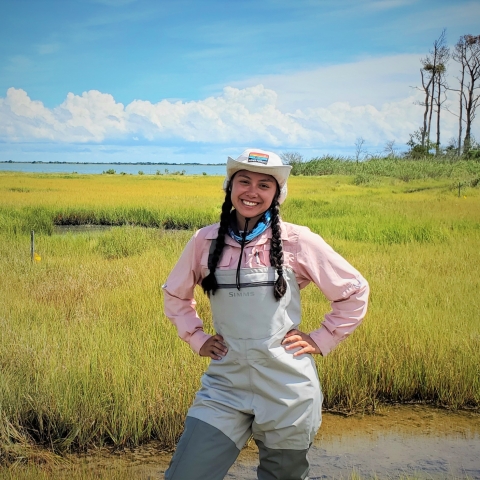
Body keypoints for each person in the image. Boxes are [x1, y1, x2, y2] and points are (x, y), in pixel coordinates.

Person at [162, 148, 369, 480]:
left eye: (264, 185)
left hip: (286, 389)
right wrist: (197, 337)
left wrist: (321, 338)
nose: (252, 192)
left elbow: (354, 290)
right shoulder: (204, 240)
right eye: (244, 181)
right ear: (230, 188)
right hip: (224, 387)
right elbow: (175, 294)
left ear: (277, 194)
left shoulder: (298, 240)